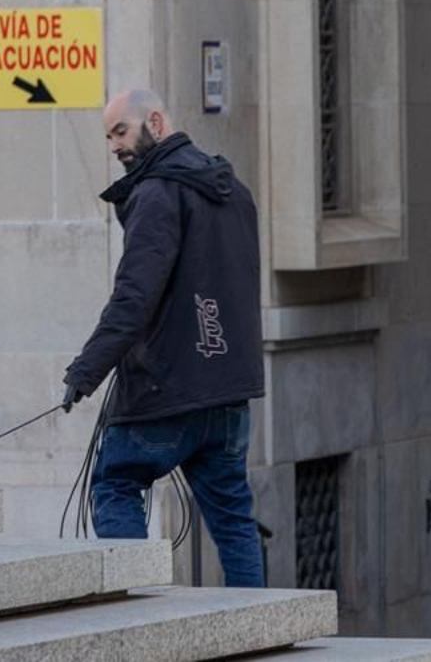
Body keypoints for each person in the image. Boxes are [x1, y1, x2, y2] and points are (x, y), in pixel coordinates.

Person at [61, 87, 266, 587]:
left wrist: (84, 373)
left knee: (113, 485)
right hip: (227, 392)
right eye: (108, 136)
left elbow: (133, 298)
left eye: (121, 131)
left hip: (165, 392)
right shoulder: (234, 191)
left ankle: (139, 616)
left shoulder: (157, 194)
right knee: (235, 519)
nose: (113, 146)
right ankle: (264, 624)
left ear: (155, 120)